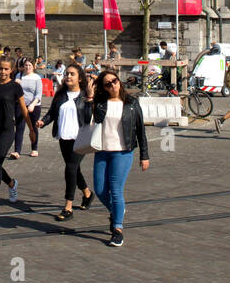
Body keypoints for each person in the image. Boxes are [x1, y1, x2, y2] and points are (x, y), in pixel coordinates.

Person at [92, 68, 150, 247]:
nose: (113, 85)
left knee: (116, 190)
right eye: (108, 84)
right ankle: (118, 210)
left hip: (123, 151)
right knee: (100, 190)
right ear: (103, 88)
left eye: (114, 81)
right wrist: (88, 95)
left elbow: (140, 129)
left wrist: (144, 155)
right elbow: (86, 116)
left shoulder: (132, 103)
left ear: (119, 81)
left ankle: (117, 229)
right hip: (102, 151)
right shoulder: (100, 103)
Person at [0, 56, 38, 215]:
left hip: (6, 130)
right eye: (1, 68)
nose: (3, 71)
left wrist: (31, 130)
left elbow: (24, 109)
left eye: (6, 69)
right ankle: (12, 184)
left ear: (11, 70)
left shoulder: (15, 87)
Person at [40, 63, 94, 219]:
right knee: (74, 169)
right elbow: (52, 113)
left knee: (70, 168)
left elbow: (88, 117)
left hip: (80, 138)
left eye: (72, 74)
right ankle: (87, 193)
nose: (68, 76)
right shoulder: (61, 94)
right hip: (64, 137)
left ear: (79, 78)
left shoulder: (85, 95)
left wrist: (90, 99)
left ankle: (68, 207)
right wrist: (43, 122)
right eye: (67, 74)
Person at [10, 57, 43, 158]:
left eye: (30, 65)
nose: (27, 67)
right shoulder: (19, 76)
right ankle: (17, 151)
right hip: (20, 105)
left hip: (34, 106)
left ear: (33, 67)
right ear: (23, 66)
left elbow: (38, 94)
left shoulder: (37, 78)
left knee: (33, 127)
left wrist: (33, 104)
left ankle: (34, 148)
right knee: (19, 127)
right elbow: (13, 91)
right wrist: (16, 84)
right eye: (26, 65)